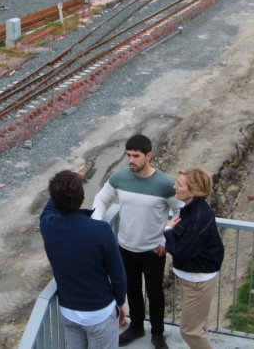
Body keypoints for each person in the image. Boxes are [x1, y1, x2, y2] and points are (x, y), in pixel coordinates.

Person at [92, 135, 183, 349]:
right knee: (132, 290)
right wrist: (96, 225)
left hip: (153, 251)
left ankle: (158, 334)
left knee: (155, 294)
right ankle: (136, 327)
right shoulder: (119, 177)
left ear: (148, 155)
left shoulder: (165, 184)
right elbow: (101, 199)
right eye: (129, 155)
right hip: (125, 248)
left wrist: (166, 241)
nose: (131, 160)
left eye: (136, 156)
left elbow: (182, 211)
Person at [40, 169, 127, 349]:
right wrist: (120, 303)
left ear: (55, 198)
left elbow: (48, 209)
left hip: (69, 313)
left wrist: (61, 187)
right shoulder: (100, 230)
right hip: (99, 314)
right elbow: (118, 276)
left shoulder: (48, 226)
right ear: (83, 197)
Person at [164, 167, 225, 349]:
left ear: (193, 191)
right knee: (199, 326)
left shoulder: (198, 217)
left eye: (179, 184)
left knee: (190, 331)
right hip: (197, 279)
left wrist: (168, 231)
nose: (174, 187)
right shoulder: (195, 209)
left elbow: (182, 251)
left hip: (198, 283)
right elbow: (186, 240)